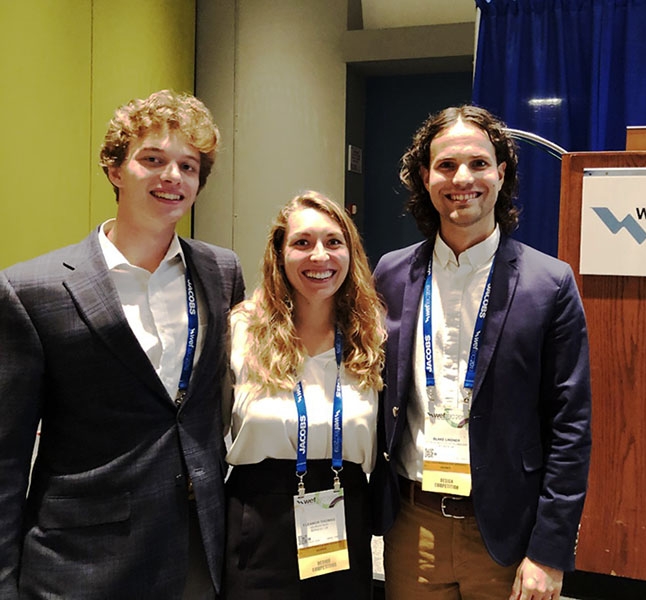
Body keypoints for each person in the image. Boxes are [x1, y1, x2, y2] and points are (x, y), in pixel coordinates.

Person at [0, 90, 245, 598]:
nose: (172, 177)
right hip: (82, 564)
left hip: (199, 554)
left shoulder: (221, 272)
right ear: (115, 169)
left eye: (188, 165)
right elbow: (6, 456)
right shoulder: (32, 289)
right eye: (152, 159)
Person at [371, 106, 592, 600]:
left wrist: (550, 551)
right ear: (425, 177)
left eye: (478, 164)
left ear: (501, 173)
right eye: (446, 166)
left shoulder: (549, 283)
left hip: (507, 537)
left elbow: (570, 428)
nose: (462, 179)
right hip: (413, 525)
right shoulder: (390, 273)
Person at [223, 192, 386, 599]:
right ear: (279, 254)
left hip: (342, 511)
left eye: (334, 242)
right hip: (258, 520)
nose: (320, 256)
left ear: (351, 253)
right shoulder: (243, 329)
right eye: (302, 242)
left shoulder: (372, 337)